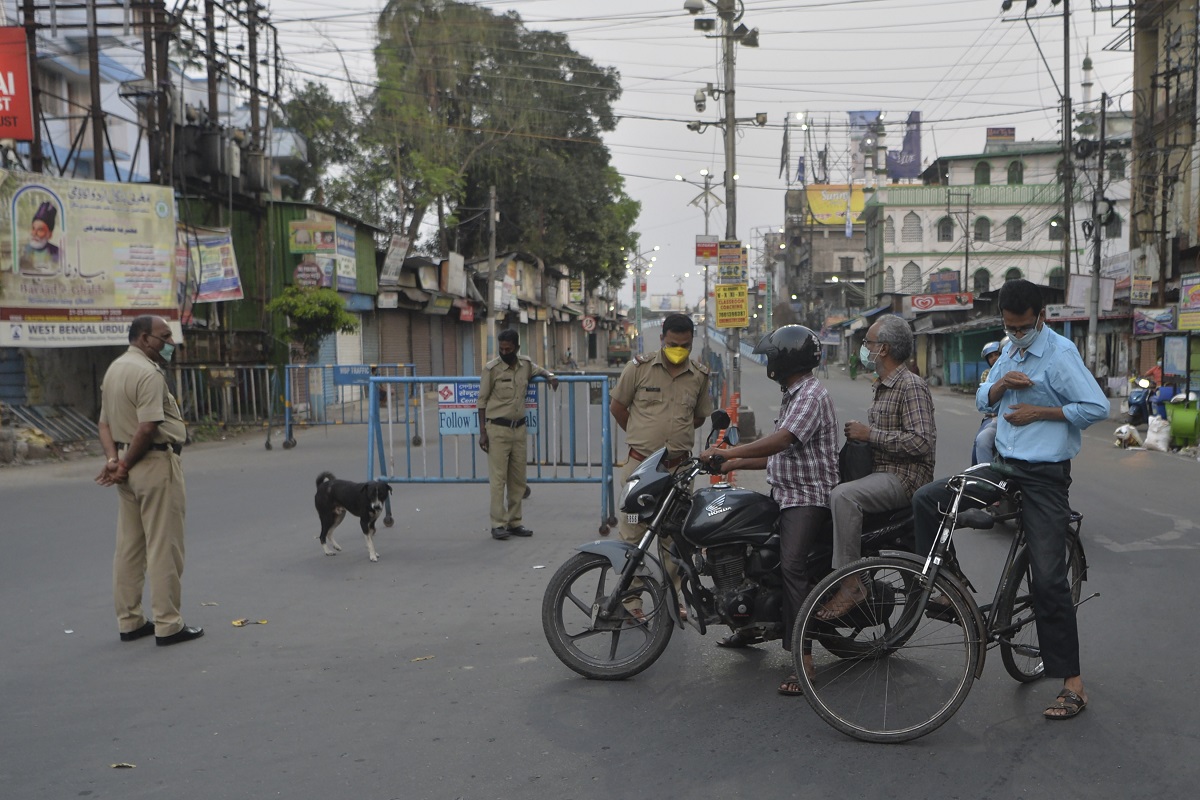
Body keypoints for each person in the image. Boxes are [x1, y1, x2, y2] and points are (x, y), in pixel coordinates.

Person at [913, 279, 1108, 721]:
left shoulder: (1059, 355)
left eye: (1022, 327)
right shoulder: (1009, 350)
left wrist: (1042, 411)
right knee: (928, 500)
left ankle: (1072, 684)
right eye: (1010, 327)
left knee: (1048, 580)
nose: (1017, 334)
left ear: (1041, 317)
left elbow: (1096, 407)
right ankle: (949, 587)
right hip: (1003, 466)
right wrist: (1000, 389)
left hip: (1043, 477)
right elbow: (984, 395)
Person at [699, 325, 838, 696]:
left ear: (786, 359)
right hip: (785, 490)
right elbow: (780, 455)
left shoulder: (810, 393)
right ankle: (746, 625)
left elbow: (783, 440)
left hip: (807, 496)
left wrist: (730, 452)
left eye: (772, 356)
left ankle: (803, 659)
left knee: (793, 567)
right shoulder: (793, 394)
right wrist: (730, 466)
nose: (768, 362)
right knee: (743, 545)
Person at [818, 314, 936, 619]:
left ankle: (851, 584)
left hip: (904, 478)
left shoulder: (911, 385)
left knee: (844, 496)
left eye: (867, 342)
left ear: (882, 349)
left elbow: (922, 441)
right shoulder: (882, 385)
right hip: (881, 472)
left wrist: (871, 434)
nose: (864, 347)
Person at [95, 315, 202, 646]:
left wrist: (115, 460)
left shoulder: (115, 370)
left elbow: (104, 424)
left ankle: (130, 620)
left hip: (127, 466)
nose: (170, 343)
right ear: (144, 339)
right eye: (164, 337)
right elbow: (148, 427)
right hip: (153, 463)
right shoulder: (148, 374)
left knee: (129, 546)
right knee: (164, 546)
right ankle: (168, 623)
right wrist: (125, 464)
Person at [610, 313, 713, 620]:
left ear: (692, 342)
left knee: (675, 537)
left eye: (684, 345)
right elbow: (618, 406)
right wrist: (642, 435)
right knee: (632, 532)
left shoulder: (699, 374)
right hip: (640, 468)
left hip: (679, 473)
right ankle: (632, 602)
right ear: (662, 340)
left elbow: (699, 416)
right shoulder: (638, 368)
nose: (678, 349)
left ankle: (673, 598)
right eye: (672, 344)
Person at [477, 329, 557, 540]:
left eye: (508, 349)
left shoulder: (526, 365)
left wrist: (550, 376)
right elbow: (481, 402)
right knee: (498, 480)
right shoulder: (491, 369)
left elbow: (541, 370)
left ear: (517, 348)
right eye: (501, 349)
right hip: (497, 430)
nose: (504, 352)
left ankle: (514, 522)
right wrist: (482, 433)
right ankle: (498, 524)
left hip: (519, 430)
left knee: (518, 480)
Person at [972, 339, 1004, 466]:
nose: (994, 358)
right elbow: (985, 399)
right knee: (981, 440)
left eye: (997, 354)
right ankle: (980, 472)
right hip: (994, 417)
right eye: (990, 356)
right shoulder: (988, 374)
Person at [19, 201, 61, 275]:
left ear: (50, 235)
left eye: (40, 230)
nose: (34, 234)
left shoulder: (57, 252)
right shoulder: (24, 250)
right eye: (33, 228)